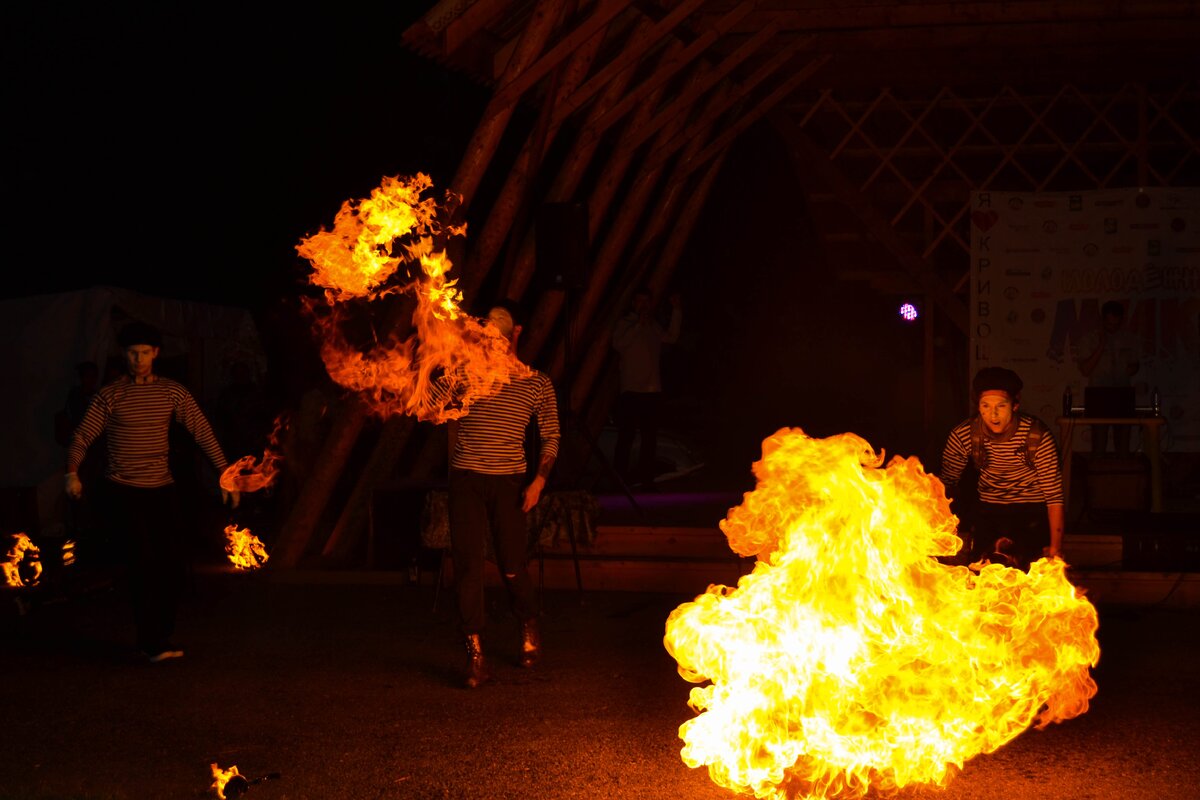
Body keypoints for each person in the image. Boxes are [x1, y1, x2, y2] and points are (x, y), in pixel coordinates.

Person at [64, 321, 239, 662]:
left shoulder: (173, 392)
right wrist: (71, 472)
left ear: (156, 354)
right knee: (143, 563)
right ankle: (150, 641)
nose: (137, 359)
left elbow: (202, 432)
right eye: (132, 353)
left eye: (144, 353)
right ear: (124, 355)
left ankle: (161, 634)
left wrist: (225, 474)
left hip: (162, 491)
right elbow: (82, 436)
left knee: (170, 564)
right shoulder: (110, 395)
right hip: (125, 492)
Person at [436, 300, 560, 689]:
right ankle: (475, 653)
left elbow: (552, 436)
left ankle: (528, 622)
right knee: (468, 565)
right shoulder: (465, 374)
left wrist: (538, 481)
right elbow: (429, 401)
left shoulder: (536, 382)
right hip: (467, 480)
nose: (493, 345)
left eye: (500, 338)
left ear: (515, 336)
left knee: (511, 565)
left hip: (509, 482)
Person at [939, 367, 1064, 571]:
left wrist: (1056, 549)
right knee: (983, 573)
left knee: (1026, 574)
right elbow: (946, 486)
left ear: (1015, 405)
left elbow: (1054, 498)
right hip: (989, 510)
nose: (993, 414)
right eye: (985, 406)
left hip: (1030, 512)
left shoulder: (1037, 437)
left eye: (1001, 406)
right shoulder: (964, 435)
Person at [611, 288, 681, 485]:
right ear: (634, 304)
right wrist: (638, 325)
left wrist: (676, 310)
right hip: (631, 390)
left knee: (650, 438)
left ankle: (646, 479)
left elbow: (671, 337)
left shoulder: (653, 326)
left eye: (646, 302)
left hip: (652, 390)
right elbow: (618, 344)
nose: (643, 306)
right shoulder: (625, 324)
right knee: (626, 436)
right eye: (639, 302)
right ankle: (619, 479)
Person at [1077, 300, 1140, 455]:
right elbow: (1085, 369)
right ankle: (1098, 476)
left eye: (1116, 324)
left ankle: (1122, 476)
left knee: (1123, 443)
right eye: (1109, 324)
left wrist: (1133, 367)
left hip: (1122, 393)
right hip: (1099, 394)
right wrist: (1101, 346)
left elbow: (1135, 365)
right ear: (1102, 319)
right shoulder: (1089, 338)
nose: (1112, 328)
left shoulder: (1129, 338)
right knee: (1099, 442)